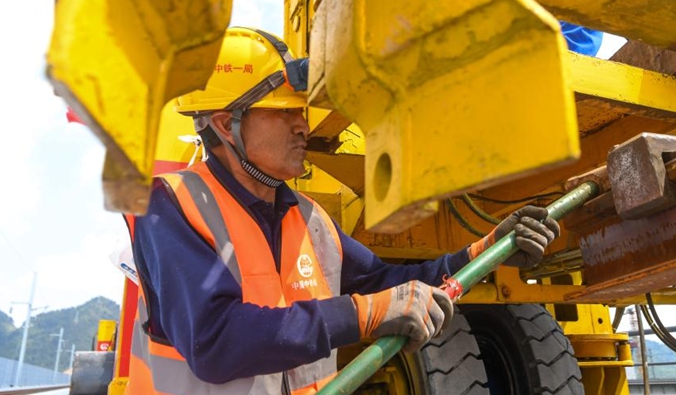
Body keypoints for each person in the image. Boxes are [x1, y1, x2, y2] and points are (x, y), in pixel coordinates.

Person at [126, 26, 561, 394]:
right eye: (284, 113)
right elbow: (216, 342)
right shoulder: (169, 205)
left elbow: (385, 282)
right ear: (225, 124)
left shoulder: (308, 217)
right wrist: (364, 313)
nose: (304, 125)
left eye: (302, 111)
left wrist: (483, 251)